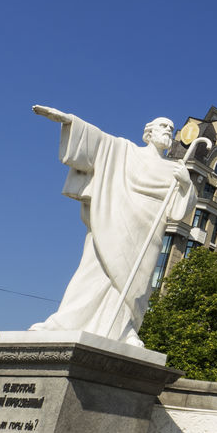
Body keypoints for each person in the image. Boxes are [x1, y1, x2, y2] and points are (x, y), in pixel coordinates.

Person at [29, 106, 195, 345]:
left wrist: (186, 184)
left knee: (137, 282)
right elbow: (100, 142)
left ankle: (124, 329)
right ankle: (63, 322)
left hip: (149, 230)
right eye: (162, 125)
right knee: (95, 269)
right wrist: (70, 121)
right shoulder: (127, 151)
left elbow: (180, 209)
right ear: (148, 132)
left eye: (171, 128)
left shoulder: (175, 169)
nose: (168, 130)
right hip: (116, 218)